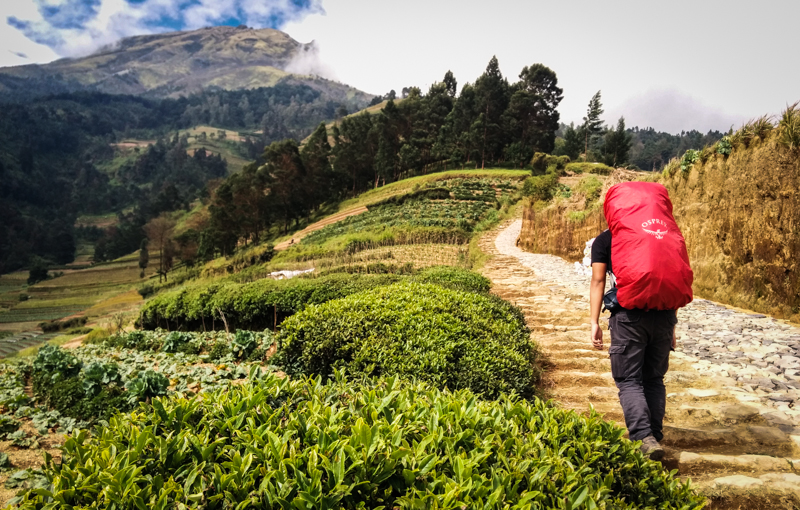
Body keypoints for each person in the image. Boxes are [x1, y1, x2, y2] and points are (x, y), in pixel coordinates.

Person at [589, 228, 678, 461]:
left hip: (629, 317)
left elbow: (598, 280)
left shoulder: (607, 239)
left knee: (629, 380)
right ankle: (654, 435)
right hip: (664, 314)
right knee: (654, 378)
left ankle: (643, 437)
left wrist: (593, 321)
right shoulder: (661, 236)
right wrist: (672, 326)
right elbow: (669, 280)